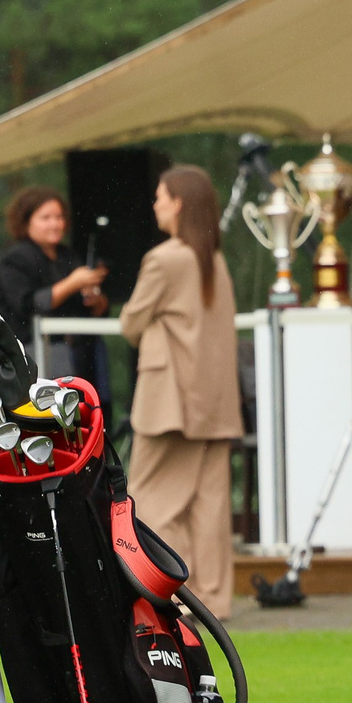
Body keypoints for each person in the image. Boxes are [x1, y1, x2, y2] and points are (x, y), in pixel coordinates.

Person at [118, 167, 242, 617]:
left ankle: (170, 595)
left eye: (160, 196)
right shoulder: (215, 259)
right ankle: (213, 598)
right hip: (214, 401)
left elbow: (130, 322)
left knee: (151, 498)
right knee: (209, 505)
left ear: (179, 203)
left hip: (169, 399)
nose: (155, 204)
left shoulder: (166, 259)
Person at [0, 185, 108, 399]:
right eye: (46, 218)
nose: (55, 224)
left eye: (59, 217)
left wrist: (95, 299)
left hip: (80, 357)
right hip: (34, 358)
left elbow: (89, 310)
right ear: (26, 222)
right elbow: (29, 305)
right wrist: (72, 283)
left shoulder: (68, 256)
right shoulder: (15, 259)